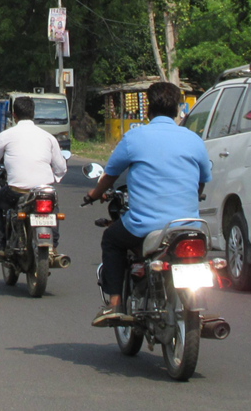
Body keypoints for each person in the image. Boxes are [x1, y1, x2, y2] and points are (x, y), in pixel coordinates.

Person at [85, 81, 211, 327]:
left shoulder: (134, 137)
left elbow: (109, 176)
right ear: (177, 110)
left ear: (148, 110)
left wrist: (93, 195)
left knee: (111, 239)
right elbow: (202, 180)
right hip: (189, 226)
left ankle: (114, 304)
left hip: (145, 226)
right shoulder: (193, 140)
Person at [0, 96, 67, 262]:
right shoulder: (48, 137)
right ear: (33, 113)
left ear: (14, 115)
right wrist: (56, 177)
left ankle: (0, 247)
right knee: (52, 208)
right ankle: (53, 246)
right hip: (44, 191)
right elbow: (60, 168)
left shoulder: (6, 135)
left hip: (17, 192)